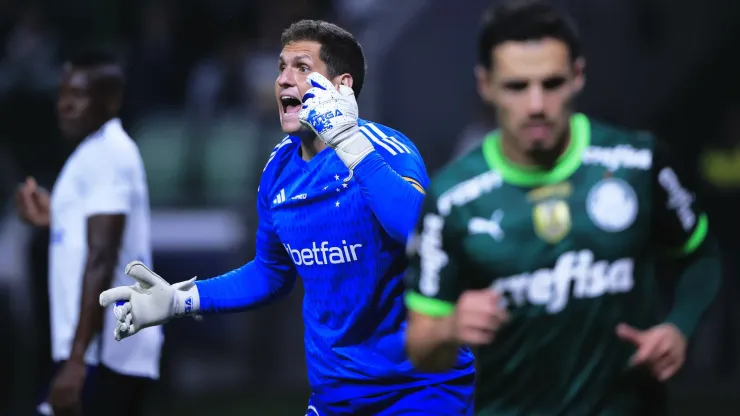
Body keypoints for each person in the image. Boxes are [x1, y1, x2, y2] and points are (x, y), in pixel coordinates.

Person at [100, 20, 475, 415]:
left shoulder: (386, 149)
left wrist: (347, 142)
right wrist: (181, 300)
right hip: (336, 395)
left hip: (420, 390)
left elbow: (422, 231)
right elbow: (270, 273)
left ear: (341, 86)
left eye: (301, 67)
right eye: (281, 67)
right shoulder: (278, 170)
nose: (283, 80)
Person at [403, 1, 721, 415]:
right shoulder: (452, 199)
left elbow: (699, 255)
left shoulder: (637, 163)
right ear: (486, 85)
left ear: (578, 77)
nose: (536, 104)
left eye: (551, 84)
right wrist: (450, 328)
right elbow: (421, 346)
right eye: (517, 86)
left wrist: (679, 327)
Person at [16, 51, 161, 416]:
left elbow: (102, 255)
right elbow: (98, 233)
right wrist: (58, 214)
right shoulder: (95, 152)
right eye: (62, 93)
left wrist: (78, 360)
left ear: (109, 101)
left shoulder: (107, 155)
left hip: (102, 355)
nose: (64, 105)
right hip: (97, 351)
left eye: (77, 95)